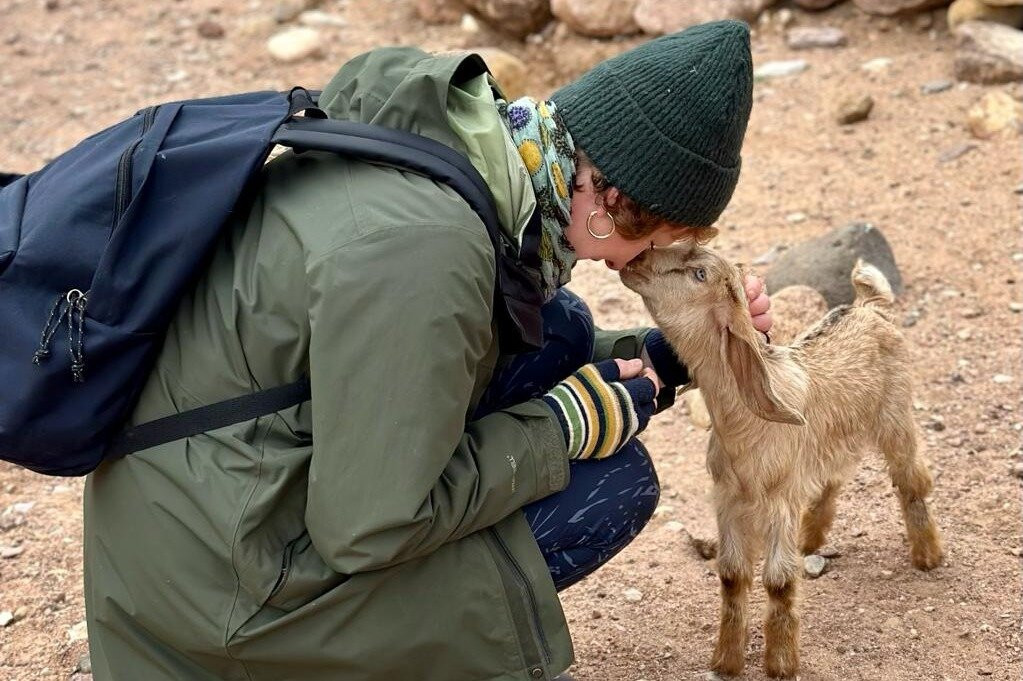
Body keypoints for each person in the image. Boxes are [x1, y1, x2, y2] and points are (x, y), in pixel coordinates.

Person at [82, 20, 770, 681]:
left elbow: (425, 357)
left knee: (554, 328)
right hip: (227, 597)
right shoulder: (428, 252)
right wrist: (560, 427)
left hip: (211, 511)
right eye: (664, 238)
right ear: (613, 201)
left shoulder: (452, 162)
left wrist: (674, 354)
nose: (655, 259)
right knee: (612, 484)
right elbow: (369, 527)